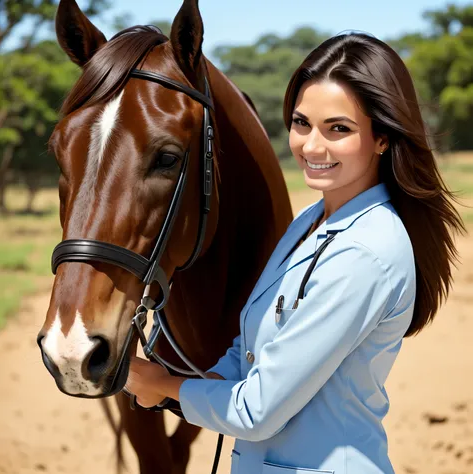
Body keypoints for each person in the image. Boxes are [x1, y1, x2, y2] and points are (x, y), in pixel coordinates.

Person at [125, 32, 464, 474]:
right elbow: (249, 353)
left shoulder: (366, 251)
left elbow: (257, 411)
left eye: (338, 129)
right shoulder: (308, 220)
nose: (311, 146)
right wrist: (177, 382)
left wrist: (165, 385)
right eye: (301, 123)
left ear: (383, 137)